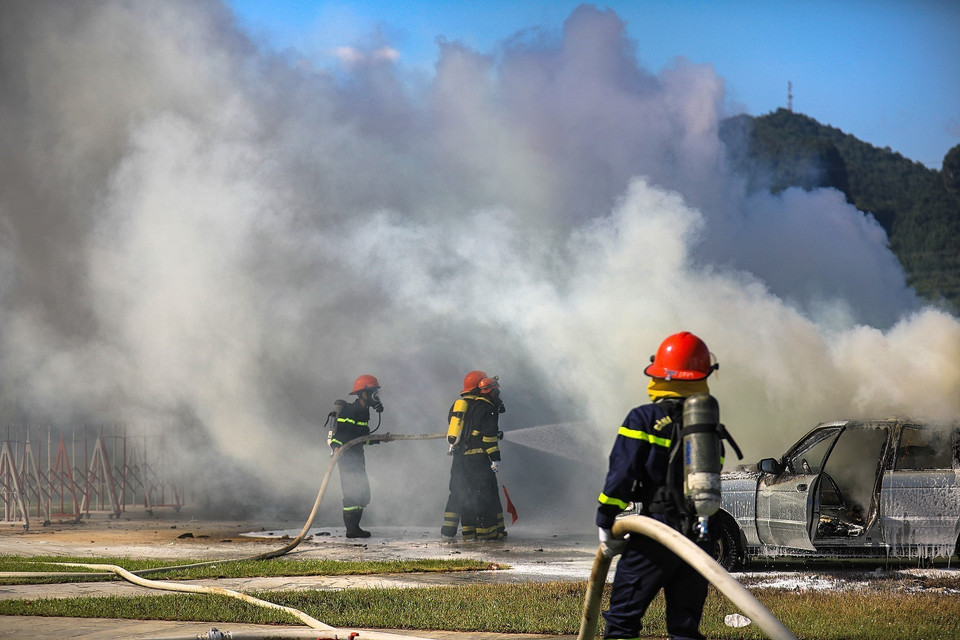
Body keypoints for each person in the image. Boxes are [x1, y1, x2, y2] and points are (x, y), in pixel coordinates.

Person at [596, 331, 720, 640]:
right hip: (698, 536)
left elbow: (622, 475)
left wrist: (605, 521)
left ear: (660, 373)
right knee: (685, 629)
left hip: (655, 536)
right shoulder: (707, 424)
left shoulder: (643, 418)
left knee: (622, 623)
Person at [441, 371, 506, 541]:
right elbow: (488, 437)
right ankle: (486, 533)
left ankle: (456, 530)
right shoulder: (486, 407)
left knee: (459, 492)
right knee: (484, 493)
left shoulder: (458, 406)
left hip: (459, 457)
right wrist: (495, 458)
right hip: (478, 459)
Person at [330, 374, 383, 538]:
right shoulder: (351, 411)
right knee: (352, 493)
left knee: (362, 494)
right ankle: (351, 530)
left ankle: (356, 528)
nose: (376, 396)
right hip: (346, 458)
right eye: (374, 392)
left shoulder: (363, 412)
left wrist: (379, 439)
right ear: (364, 393)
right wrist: (337, 448)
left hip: (357, 456)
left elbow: (360, 439)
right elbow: (343, 436)